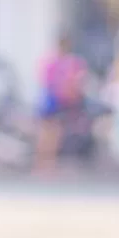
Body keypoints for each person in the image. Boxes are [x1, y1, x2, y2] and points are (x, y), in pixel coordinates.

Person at [36, 34, 88, 172]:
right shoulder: (69, 62)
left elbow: (45, 80)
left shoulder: (53, 61)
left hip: (51, 99)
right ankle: (46, 162)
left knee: (49, 131)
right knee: (52, 132)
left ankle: (45, 162)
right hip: (56, 100)